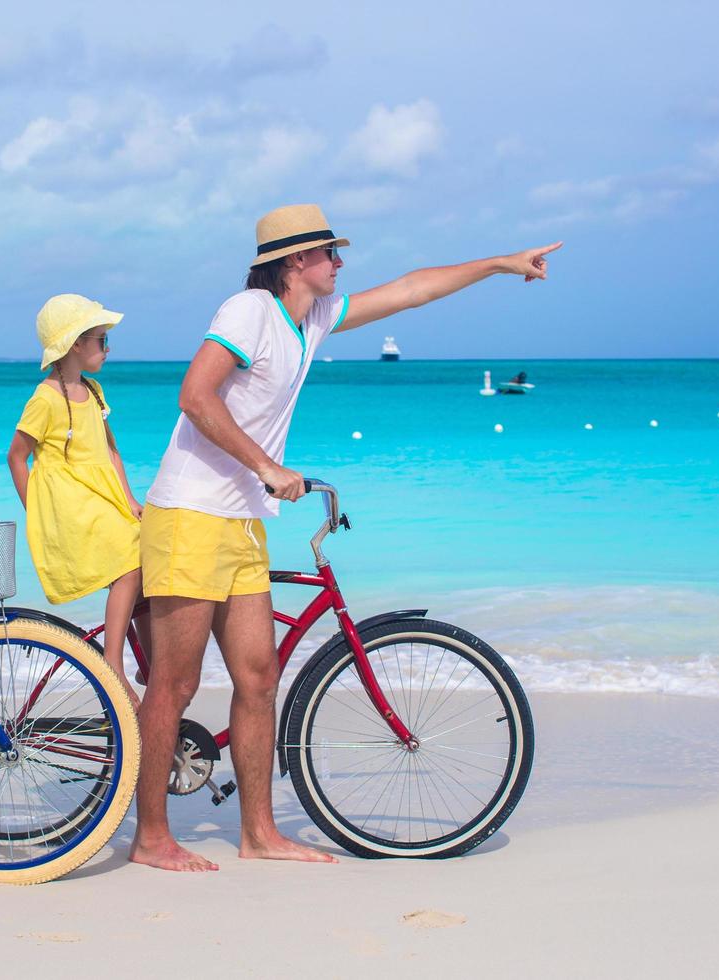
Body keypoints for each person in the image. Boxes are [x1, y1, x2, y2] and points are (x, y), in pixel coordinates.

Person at [130, 203, 561, 872]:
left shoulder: (313, 317)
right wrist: (268, 467)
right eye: (332, 253)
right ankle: (152, 836)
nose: (340, 263)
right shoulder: (248, 313)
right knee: (175, 684)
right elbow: (195, 395)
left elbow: (411, 290)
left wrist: (497, 264)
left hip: (241, 520)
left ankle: (258, 833)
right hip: (189, 513)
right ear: (295, 261)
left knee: (258, 677)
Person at [7, 294, 147, 705]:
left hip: (102, 498)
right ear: (75, 345)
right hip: (73, 507)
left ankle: (141, 657)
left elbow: (111, 451)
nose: (108, 349)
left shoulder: (94, 389)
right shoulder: (46, 399)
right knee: (129, 561)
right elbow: (17, 455)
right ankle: (113, 662)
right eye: (102, 340)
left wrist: (131, 500)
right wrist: (36, 513)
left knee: (150, 554)